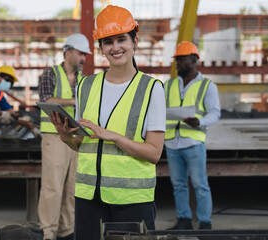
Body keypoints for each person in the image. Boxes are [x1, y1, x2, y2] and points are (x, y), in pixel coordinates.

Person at [49, 5, 166, 240]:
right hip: (88, 199)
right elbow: (84, 144)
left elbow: (154, 153)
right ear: (100, 48)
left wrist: (113, 135)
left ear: (135, 41)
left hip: (133, 201)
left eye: (121, 39)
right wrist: (67, 138)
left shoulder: (151, 89)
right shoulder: (86, 86)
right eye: (108, 42)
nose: (115, 47)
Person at [37, 33, 92, 240]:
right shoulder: (50, 73)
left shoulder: (83, 80)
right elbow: (45, 99)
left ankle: (66, 231)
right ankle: (47, 232)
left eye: (84, 55)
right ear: (67, 53)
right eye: (80, 54)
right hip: (53, 137)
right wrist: (73, 102)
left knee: (72, 187)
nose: (83, 59)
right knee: (52, 187)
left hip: (75, 138)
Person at [165, 41, 221, 230]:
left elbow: (215, 112)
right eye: (176, 60)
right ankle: (184, 220)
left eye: (181, 59)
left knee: (200, 184)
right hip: (172, 142)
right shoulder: (169, 84)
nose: (177, 63)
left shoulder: (207, 86)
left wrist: (200, 122)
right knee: (179, 185)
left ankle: (205, 222)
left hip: (193, 142)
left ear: (194, 59)